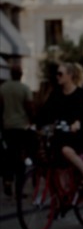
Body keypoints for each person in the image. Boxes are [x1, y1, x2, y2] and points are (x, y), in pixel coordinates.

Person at [38, 62, 83, 193]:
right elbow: (45, 112)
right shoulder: (56, 94)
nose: (57, 76)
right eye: (57, 74)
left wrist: (78, 123)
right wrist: (35, 124)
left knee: (66, 150)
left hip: (78, 135)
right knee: (53, 159)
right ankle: (64, 195)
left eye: (60, 74)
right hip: (60, 134)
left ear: (70, 75)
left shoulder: (80, 94)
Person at [0, 64, 36, 196]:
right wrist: (32, 121)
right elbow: (30, 107)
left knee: (9, 155)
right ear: (21, 74)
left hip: (7, 127)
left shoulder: (3, 88)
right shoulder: (24, 88)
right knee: (21, 156)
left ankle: (8, 180)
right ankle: (19, 188)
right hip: (22, 127)